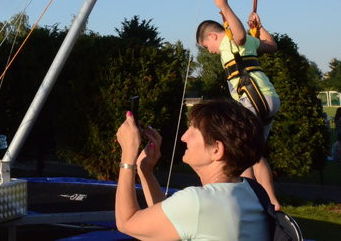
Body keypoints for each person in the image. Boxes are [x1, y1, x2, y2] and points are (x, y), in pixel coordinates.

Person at [115, 99, 269, 240]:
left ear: (216, 149)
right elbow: (173, 222)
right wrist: (146, 172)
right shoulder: (251, 190)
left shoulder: (198, 202)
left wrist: (128, 155)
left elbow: (126, 222)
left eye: (193, 130)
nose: (184, 137)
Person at [196, 0, 281, 210]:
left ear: (213, 36)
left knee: (240, 152)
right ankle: (270, 200)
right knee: (256, 155)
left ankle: (249, 198)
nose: (210, 51)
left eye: (206, 46)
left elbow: (240, 35)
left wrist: (224, 6)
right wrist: (260, 28)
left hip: (252, 100)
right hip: (269, 98)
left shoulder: (231, 42)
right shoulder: (248, 43)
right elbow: (271, 46)